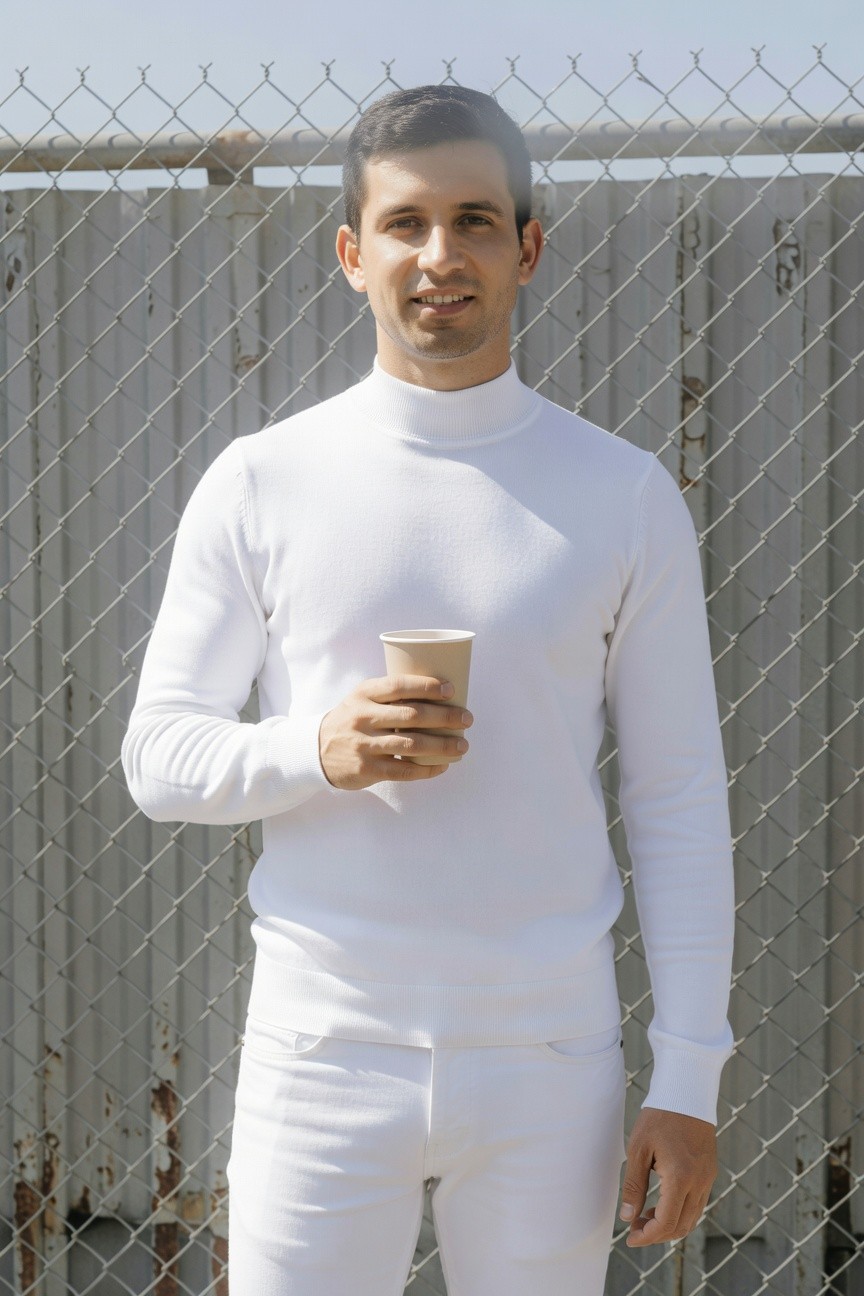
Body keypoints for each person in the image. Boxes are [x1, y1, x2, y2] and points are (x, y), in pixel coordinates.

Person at [121, 84, 735, 1296]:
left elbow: (677, 801)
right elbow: (159, 757)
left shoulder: (621, 494)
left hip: (550, 1058)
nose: (439, 256)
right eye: (404, 224)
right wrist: (315, 749)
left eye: (475, 220)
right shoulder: (264, 481)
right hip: (322, 1051)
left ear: (528, 247)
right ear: (352, 254)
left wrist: (688, 1081)